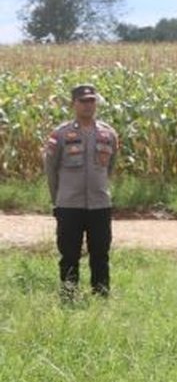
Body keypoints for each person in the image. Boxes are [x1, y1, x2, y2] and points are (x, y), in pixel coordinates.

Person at [43, 83, 118, 299]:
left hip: (99, 205)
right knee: (69, 254)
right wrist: (57, 199)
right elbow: (51, 170)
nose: (88, 105)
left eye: (92, 101)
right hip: (69, 205)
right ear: (73, 104)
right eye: (83, 101)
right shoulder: (60, 134)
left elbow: (110, 167)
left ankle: (101, 294)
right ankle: (69, 295)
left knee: (100, 254)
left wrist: (101, 188)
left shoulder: (108, 134)